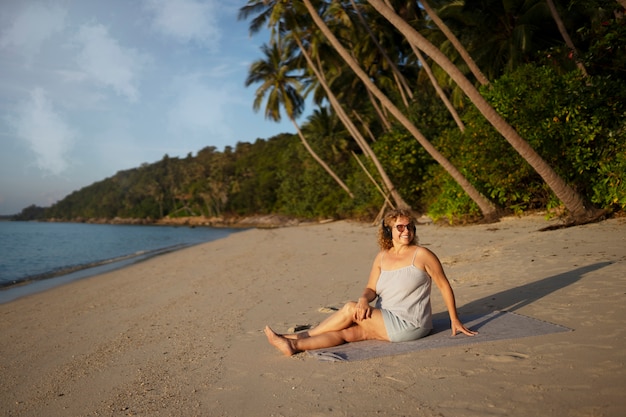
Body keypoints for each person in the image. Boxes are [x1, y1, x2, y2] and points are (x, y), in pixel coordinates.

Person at [264, 209, 477, 356]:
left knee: (349, 310)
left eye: (410, 226)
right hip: (384, 319)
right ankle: (294, 345)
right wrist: (364, 300)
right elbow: (371, 289)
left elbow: (443, 285)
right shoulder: (382, 257)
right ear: (388, 231)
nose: (406, 231)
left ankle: (295, 335)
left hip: (410, 324)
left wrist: (454, 319)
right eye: (400, 227)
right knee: (345, 333)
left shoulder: (422, 255)